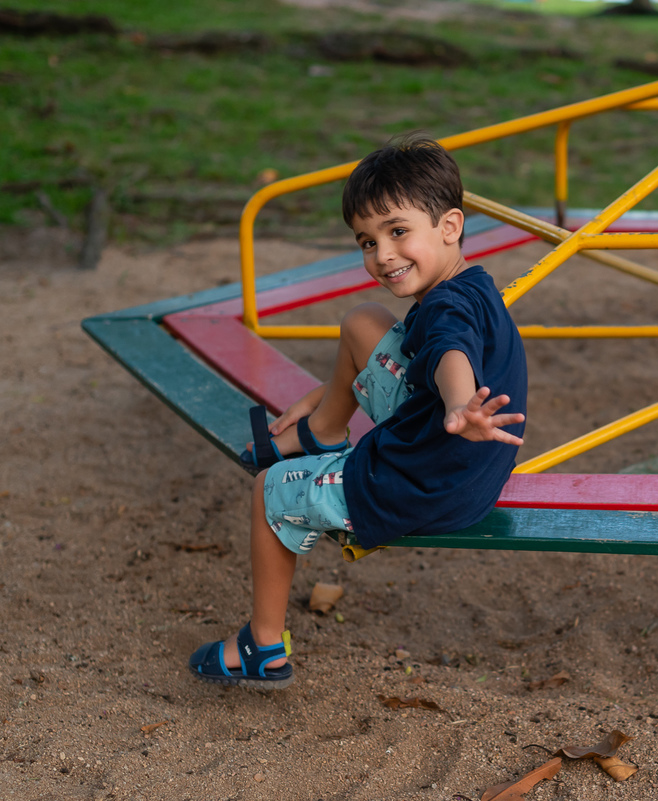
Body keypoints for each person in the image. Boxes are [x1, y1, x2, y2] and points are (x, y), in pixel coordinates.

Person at [188, 135, 527, 689]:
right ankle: (324, 431)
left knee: (269, 490)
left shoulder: (445, 311)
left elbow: (449, 353)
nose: (382, 254)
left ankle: (261, 645)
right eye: (366, 242)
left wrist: (463, 402)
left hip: (427, 479)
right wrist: (330, 393)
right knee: (362, 321)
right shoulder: (471, 283)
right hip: (463, 453)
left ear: (450, 226)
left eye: (397, 232)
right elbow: (429, 352)